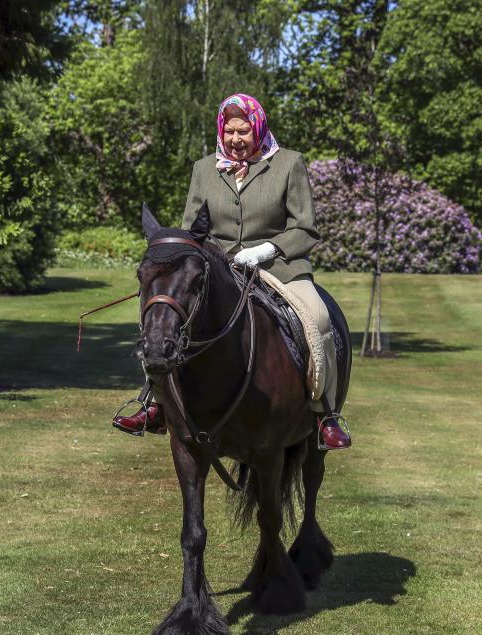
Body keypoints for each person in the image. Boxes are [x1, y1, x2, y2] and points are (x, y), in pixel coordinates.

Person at [113, 93, 350, 450]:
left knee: (318, 318)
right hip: (218, 269)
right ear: (221, 132)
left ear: (258, 128)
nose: (236, 140)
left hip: (279, 266)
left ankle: (324, 413)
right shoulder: (203, 168)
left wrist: (266, 250)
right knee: (163, 319)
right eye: (230, 132)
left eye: (244, 132)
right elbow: (192, 229)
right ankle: (156, 403)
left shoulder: (288, 164)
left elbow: (305, 228)